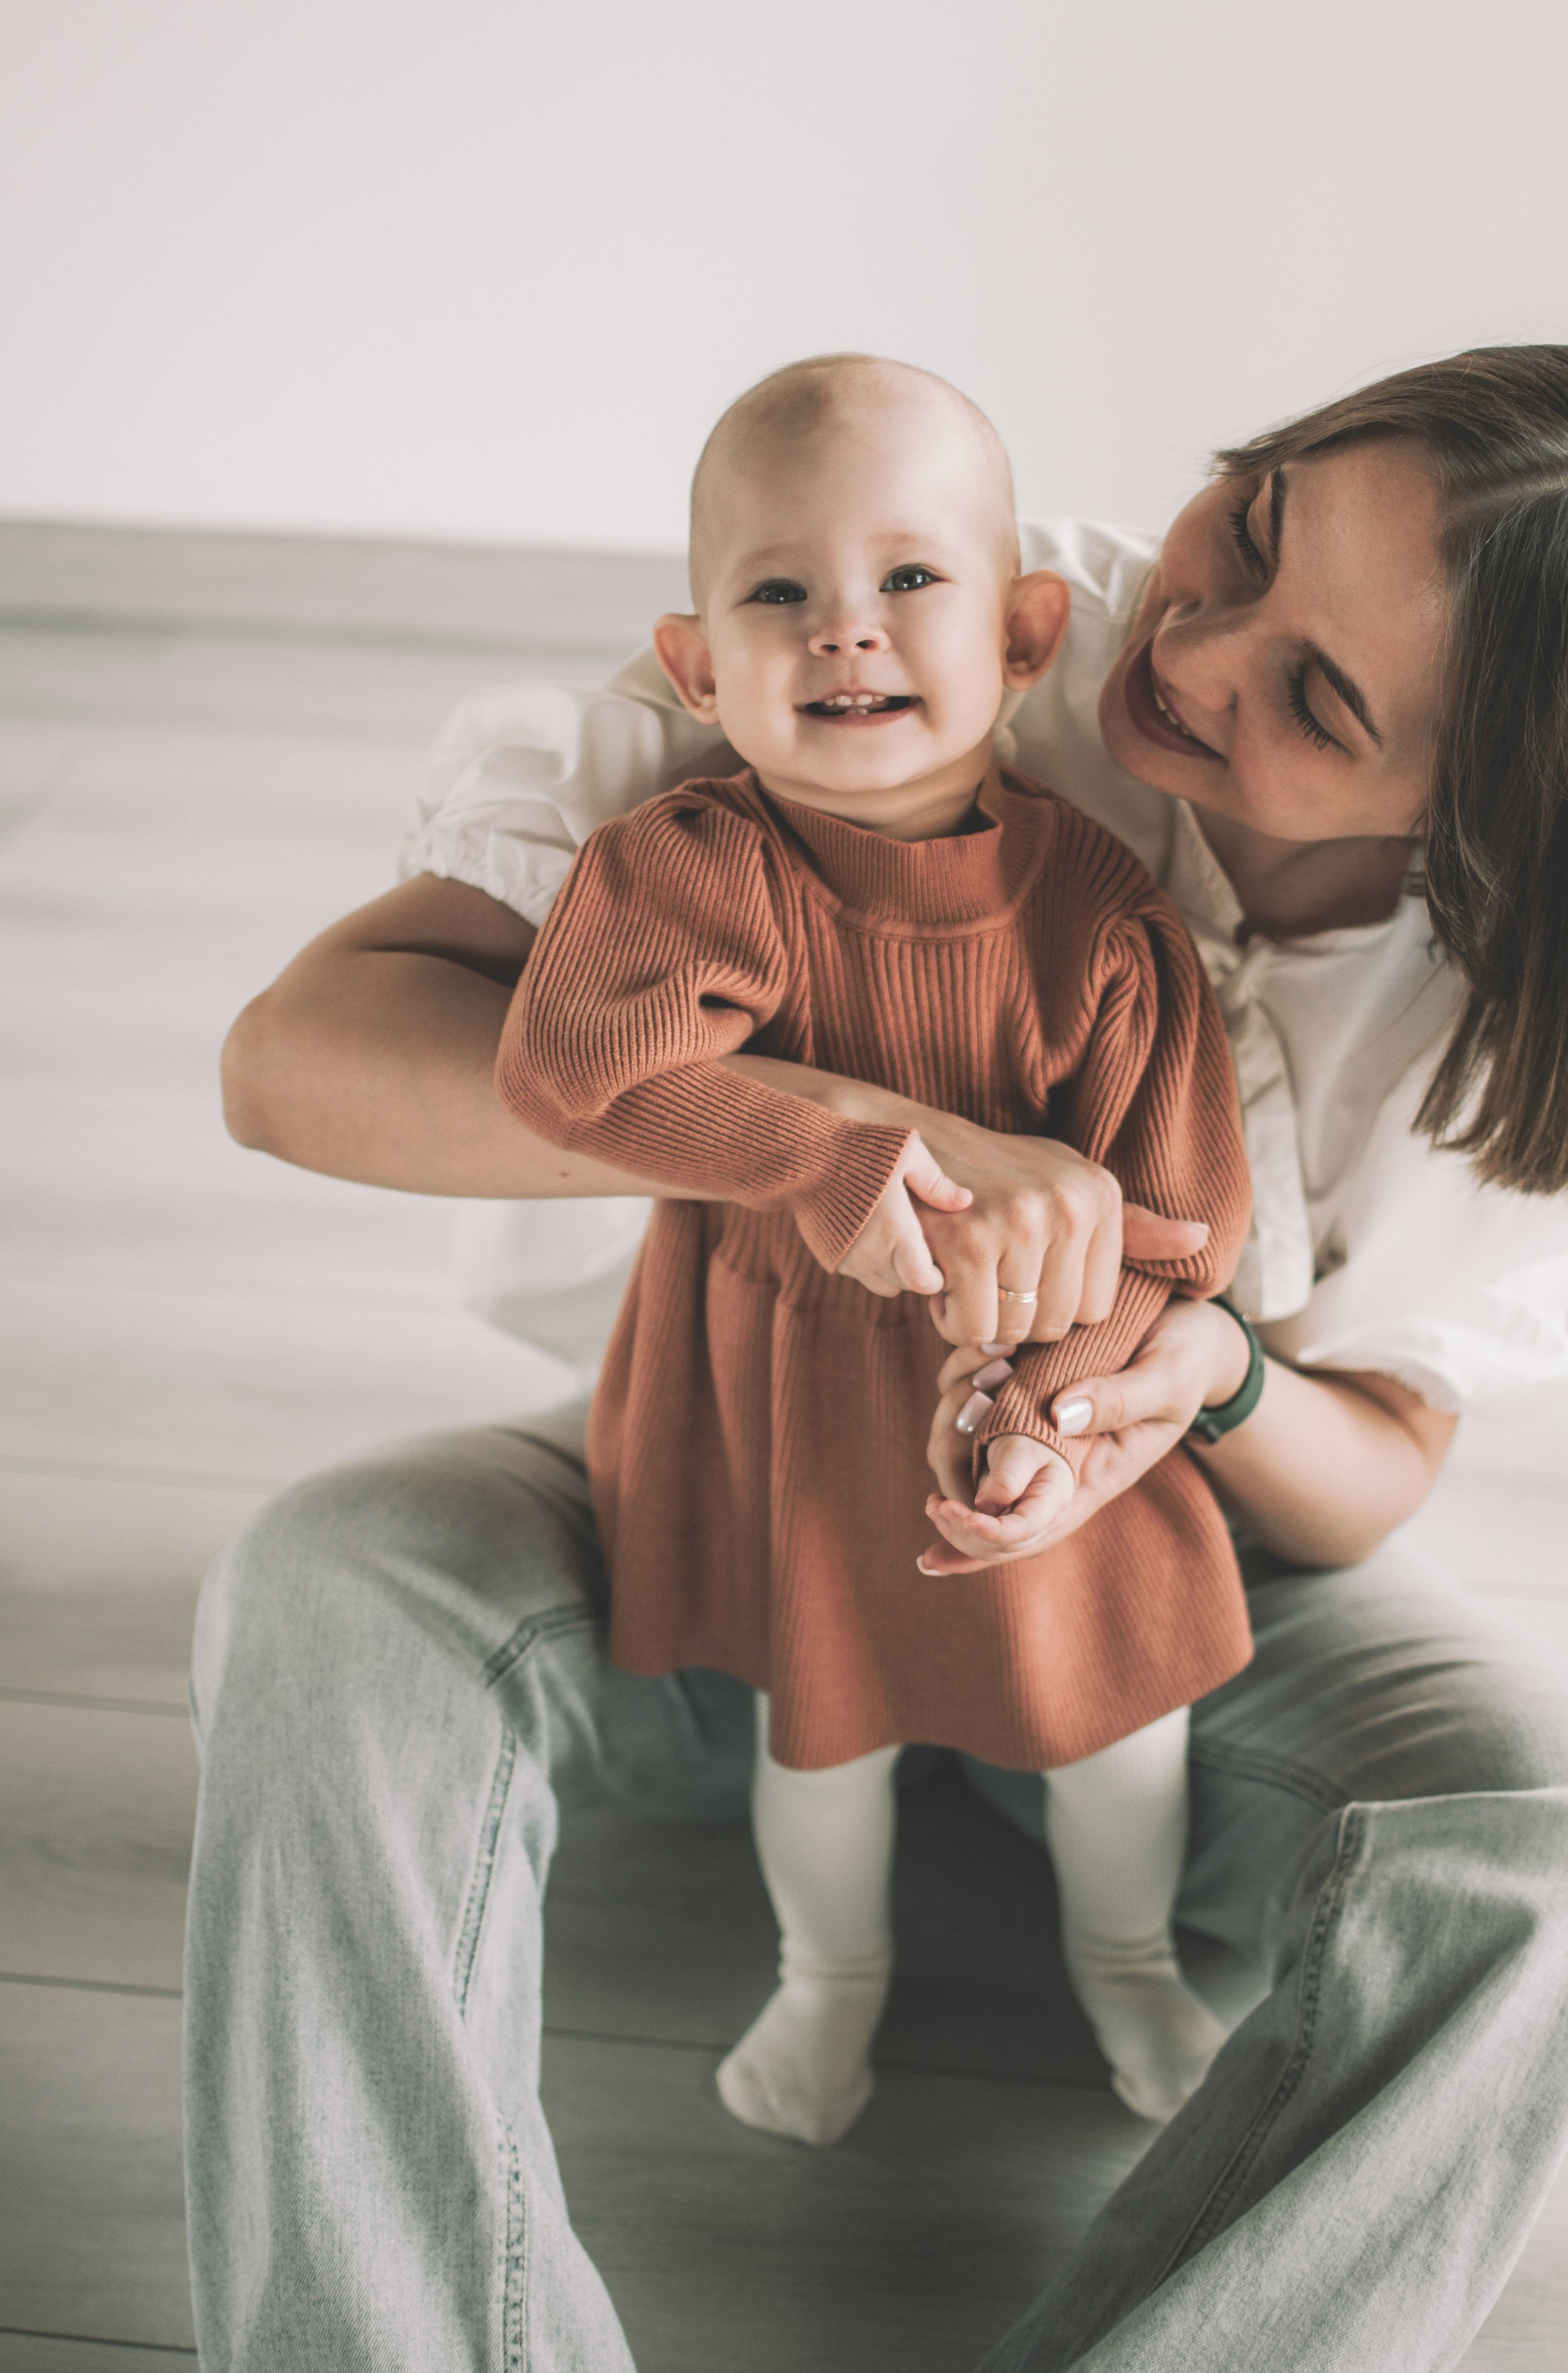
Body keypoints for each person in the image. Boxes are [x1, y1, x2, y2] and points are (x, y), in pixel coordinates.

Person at [196, 344, 1568, 2371]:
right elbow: (292, 1065)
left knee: (1531, 1871)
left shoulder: (1506, 1012)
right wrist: (840, 1138)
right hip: (724, 1488)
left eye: (1323, 699)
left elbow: (1381, 1459)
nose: (1191, 644)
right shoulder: (916, 605)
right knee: (325, 1585)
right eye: (1253, 525)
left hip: (1165, 1579)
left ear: (1473, 828)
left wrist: (1206, 1383)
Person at [498, 354, 1255, 2146]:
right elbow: (573, 1068)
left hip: (1043, 1402)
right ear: (698, 668)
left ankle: (1129, 1959)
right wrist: (840, 1150)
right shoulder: (691, 868)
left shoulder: (1100, 911)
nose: (847, 633)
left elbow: (1185, 1213)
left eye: (911, 580)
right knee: (818, 1720)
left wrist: (1051, 1404)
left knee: (1115, 1723)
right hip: (794, 1378)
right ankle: (828, 1975)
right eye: (781, 595)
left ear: (1023, 637)